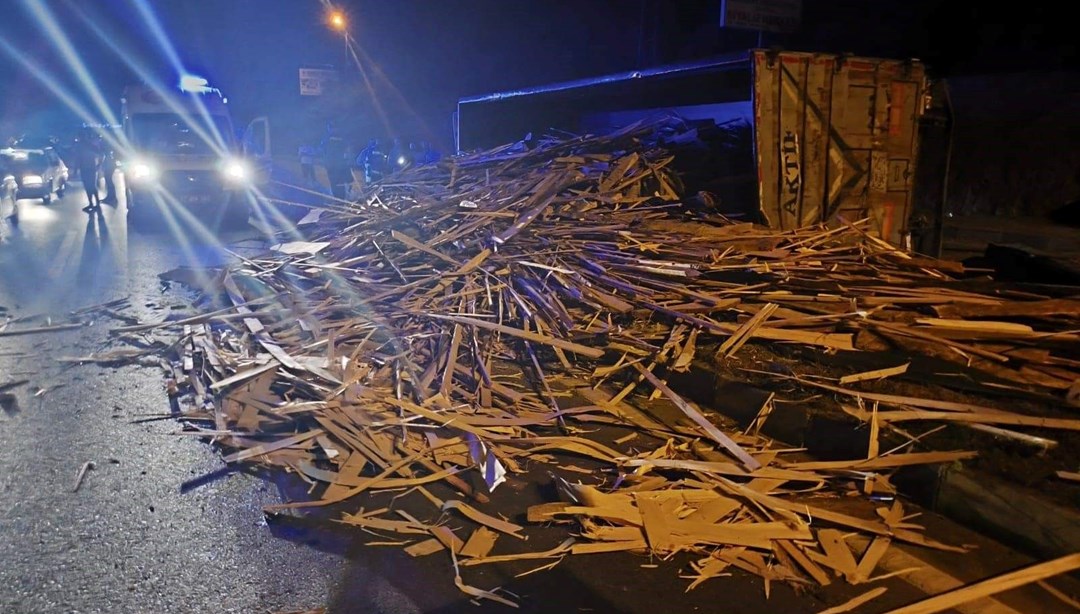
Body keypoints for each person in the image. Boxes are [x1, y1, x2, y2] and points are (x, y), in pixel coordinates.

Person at [319, 120, 350, 200]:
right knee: (340, 181)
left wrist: (325, 161)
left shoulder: (327, 137)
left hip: (331, 164)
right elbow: (347, 149)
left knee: (334, 182)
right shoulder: (342, 137)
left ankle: (337, 198)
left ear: (329, 128)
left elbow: (322, 149)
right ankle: (342, 198)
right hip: (340, 163)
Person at [73, 129, 101, 211]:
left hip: (85, 169)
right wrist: (99, 164)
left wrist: (75, 170)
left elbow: (77, 159)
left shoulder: (80, 146)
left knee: (88, 186)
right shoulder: (90, 145)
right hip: (90, 168)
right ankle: (96, 202)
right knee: (91, 186)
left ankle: (92, 203)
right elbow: (101, 154)